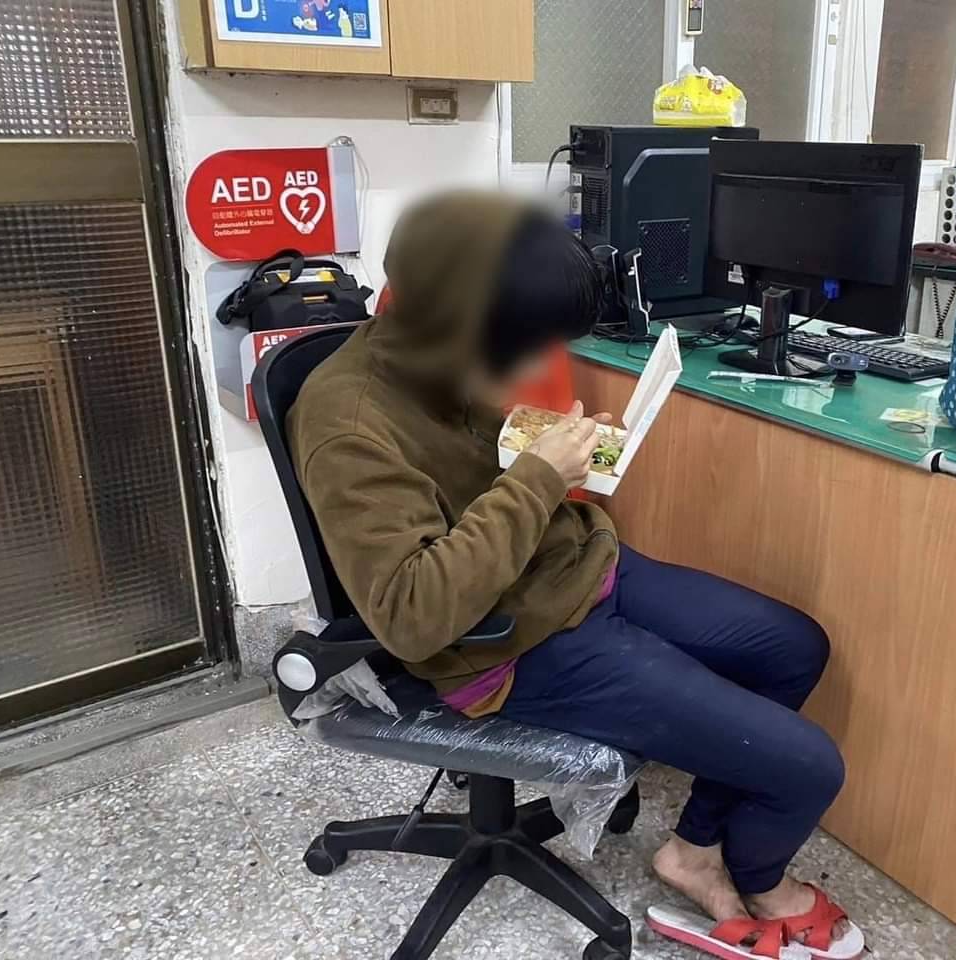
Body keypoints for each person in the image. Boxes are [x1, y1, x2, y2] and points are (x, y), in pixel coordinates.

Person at [287, 191, 860, 957]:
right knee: (809, 769)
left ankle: (693, 850)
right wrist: (539, 477)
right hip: (504, 643)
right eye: (527, 347)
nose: (534, 366)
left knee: (792, 647)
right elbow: (411, 613)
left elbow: (474, 454)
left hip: (576, 569)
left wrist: (565, 442)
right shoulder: (348, 424)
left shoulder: (433, 351)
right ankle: (760, 874)